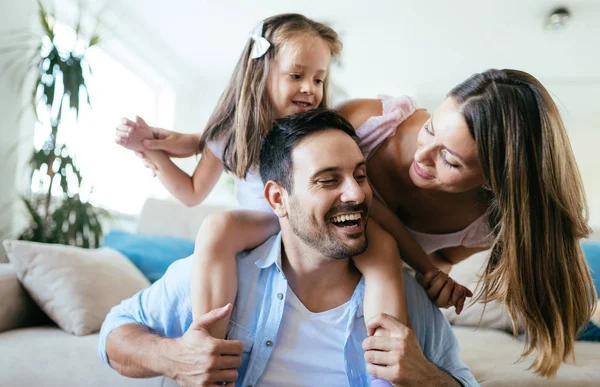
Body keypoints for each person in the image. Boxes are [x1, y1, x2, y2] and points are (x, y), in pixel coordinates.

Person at [121, 68, 598, 378]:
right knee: (217, 228)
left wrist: (432, 280)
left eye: (449, 161)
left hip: (360, 253)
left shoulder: (484, 223)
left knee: (384, 255)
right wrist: (185, 142)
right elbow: (288, 143)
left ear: (495, 182)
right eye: (431, 130)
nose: (421, 160)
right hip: (296, 226)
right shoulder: (372, 122)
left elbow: (432, 260)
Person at [116, 14, 471, 387]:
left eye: (318, 79)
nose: (310, 89)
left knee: (381, 243)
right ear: (260, 73)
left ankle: (387, 366)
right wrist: (153, 150)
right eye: (297, 76)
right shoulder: (232, 132)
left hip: (307, 225)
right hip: (265, 221)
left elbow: (376, 209)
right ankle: (209, 349)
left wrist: (427, 269)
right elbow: (190, 189)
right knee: (217, 226)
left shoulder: (327, 131)